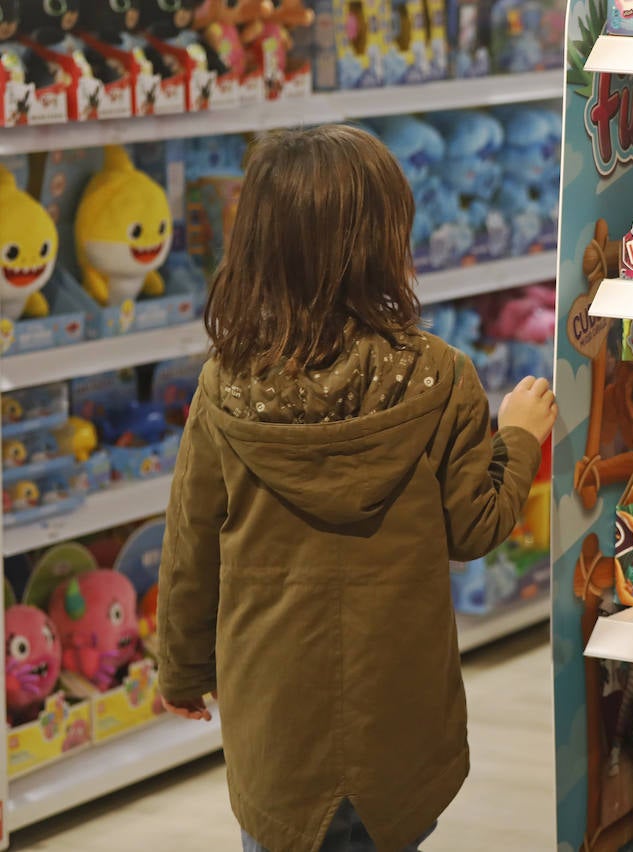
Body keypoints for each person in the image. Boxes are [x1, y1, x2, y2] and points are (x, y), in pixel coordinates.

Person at [156, 124, 557, 852]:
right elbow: (476, 529)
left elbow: (191, 544)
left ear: (257, 246)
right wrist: (520, 436)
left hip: (275, 716)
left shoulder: (227, 386)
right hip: (396, 713)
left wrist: (182, 668)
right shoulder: (440, 376)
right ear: (384, 239)